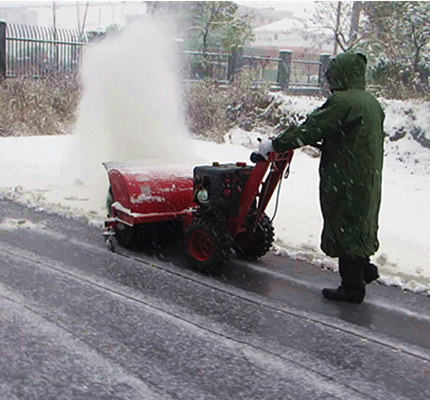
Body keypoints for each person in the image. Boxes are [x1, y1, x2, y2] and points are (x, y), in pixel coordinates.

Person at [257, 52, 385, 304]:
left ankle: (352, 287)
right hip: (367, 174)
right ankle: (364, 269)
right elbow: (352, 135)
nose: (328, 79)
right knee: (360, 220)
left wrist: (275, 144)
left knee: (344, 222)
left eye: (331, 74)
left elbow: (312, 127)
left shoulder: (343, 102)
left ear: (342, 74)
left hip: (346, 173)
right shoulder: (370, 102)